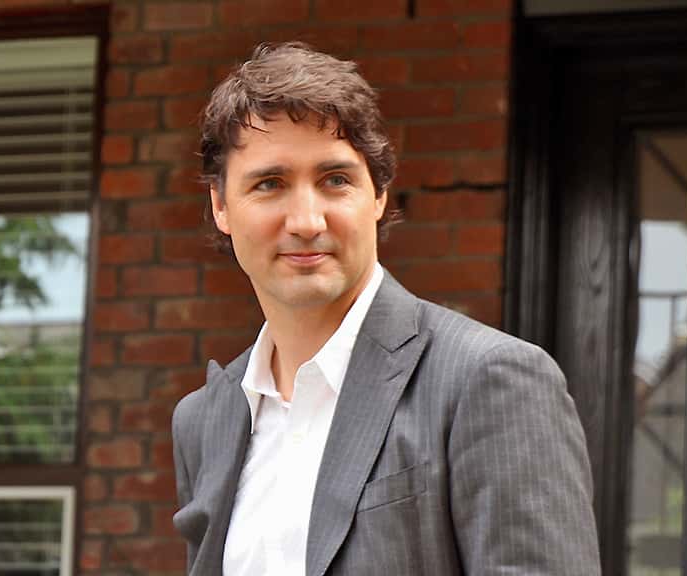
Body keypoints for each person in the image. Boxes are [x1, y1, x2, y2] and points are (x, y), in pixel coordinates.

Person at [172, 42, 600, 576]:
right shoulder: (204, 420)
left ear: (377, 196)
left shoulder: (488, 379)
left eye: (335, 180)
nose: (306, 220)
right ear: (221, 207)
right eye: (270, 184)